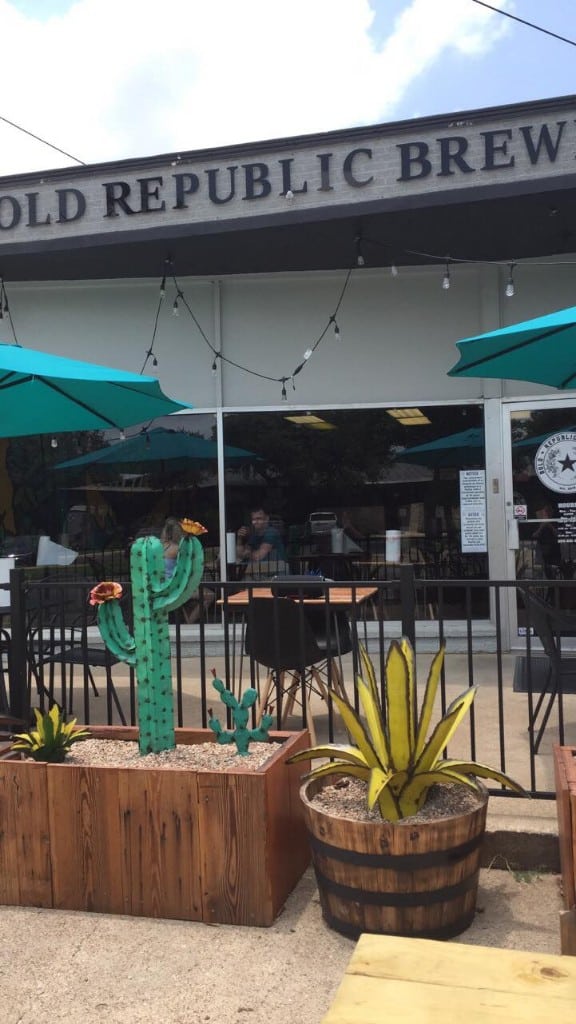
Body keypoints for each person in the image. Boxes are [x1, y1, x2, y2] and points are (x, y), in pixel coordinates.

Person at [160, 516, 214, 622]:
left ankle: (187, 618)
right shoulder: (177, 549)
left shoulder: (159, 547)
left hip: (162, 586)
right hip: (175, 588)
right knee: (210, 596)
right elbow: (189, 566)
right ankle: (190, 622)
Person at [236, 507, 288, 577]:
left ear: (267, 518)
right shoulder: (255, 535)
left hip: (279, 575)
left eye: (259, 519)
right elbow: (240, 555)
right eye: (253, 519)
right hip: (263, 573)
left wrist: (247, 555)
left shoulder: (271, 532)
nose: (255, 522)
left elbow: (258, 556)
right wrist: (239, 538)